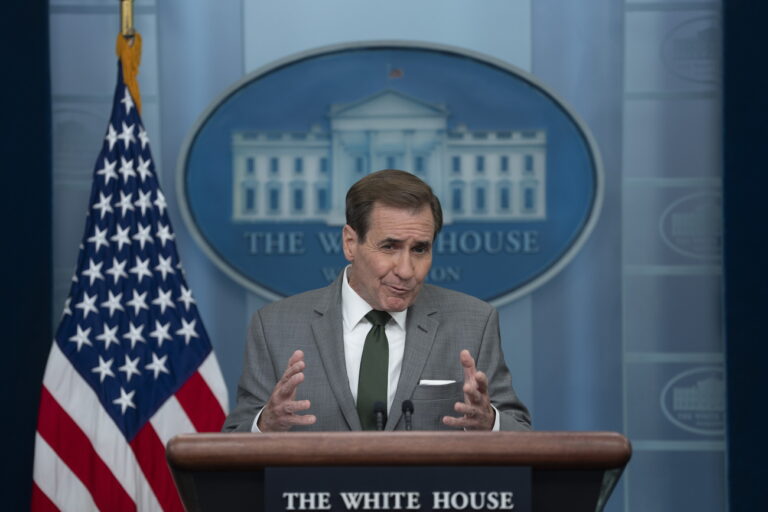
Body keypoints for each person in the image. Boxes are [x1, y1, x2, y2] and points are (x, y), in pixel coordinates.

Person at [223, 169, 531, 432]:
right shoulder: (275, 326)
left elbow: (522, 436)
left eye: (420, 249)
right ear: (350, 243)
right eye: (389, 247)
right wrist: (265, 424)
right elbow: (233, 439)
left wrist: (490, 422)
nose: (407, 270)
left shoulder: (474, 322)